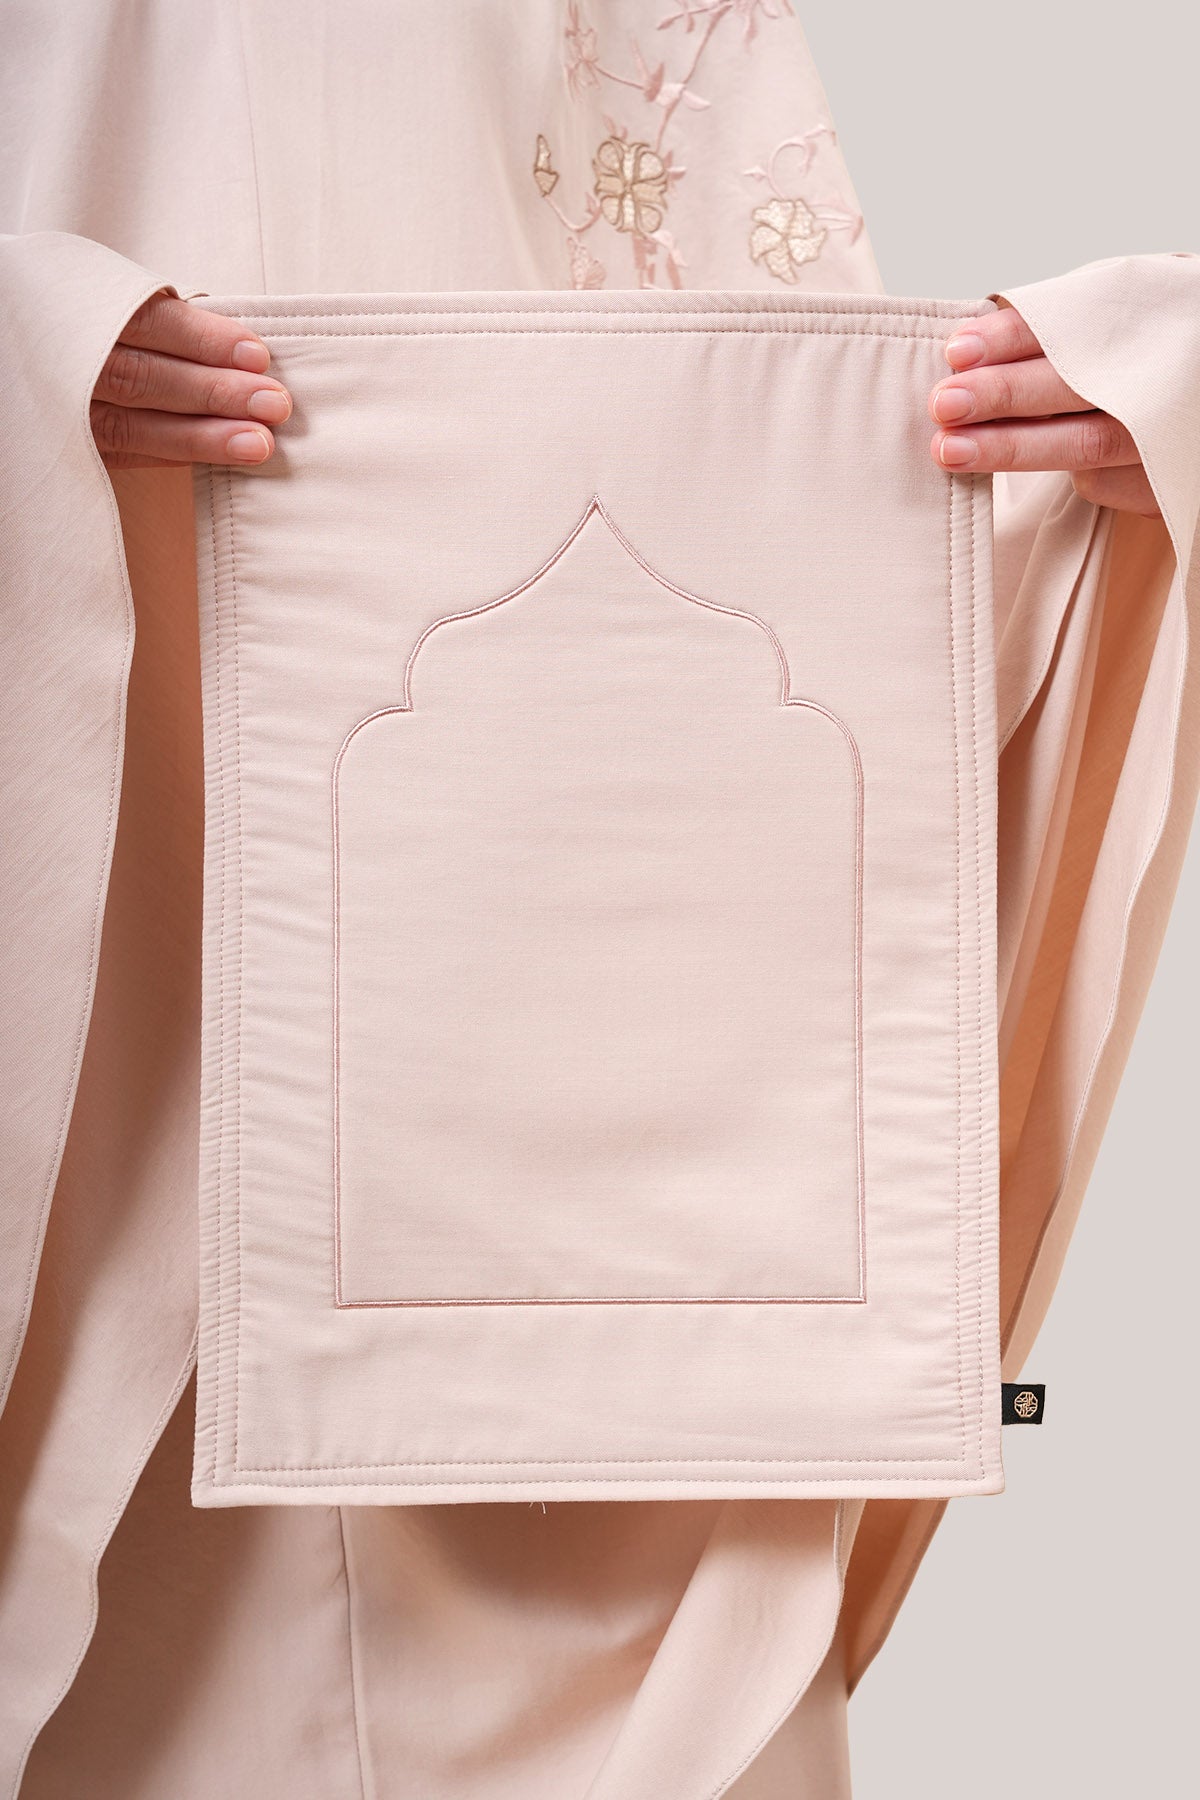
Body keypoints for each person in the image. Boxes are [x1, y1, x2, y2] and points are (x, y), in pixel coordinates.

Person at [1, 4, 1196, 1794]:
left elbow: (799, 451)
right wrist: (24, 368)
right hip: (102, 888)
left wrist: (1106, 425)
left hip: (579, 919)